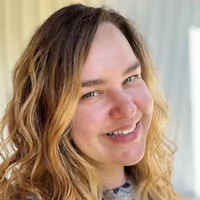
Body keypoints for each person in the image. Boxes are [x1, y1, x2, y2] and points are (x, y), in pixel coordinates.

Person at [0, 3, 178, 200]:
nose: (127, 109)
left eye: (130, 78)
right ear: (50, 112)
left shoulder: (156, 190)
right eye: (92, 93)